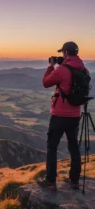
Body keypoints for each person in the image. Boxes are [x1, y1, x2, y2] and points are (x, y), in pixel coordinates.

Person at [37, 41, 87, 190]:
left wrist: (52, 66)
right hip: (75, 115)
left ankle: (51, 181)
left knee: (52, 147)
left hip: (59, 115)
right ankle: (74, 180)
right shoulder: (84, 70)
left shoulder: (62, 70)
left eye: (62, 53)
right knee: (73, 146)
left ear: (65, 52)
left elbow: (46, 82)